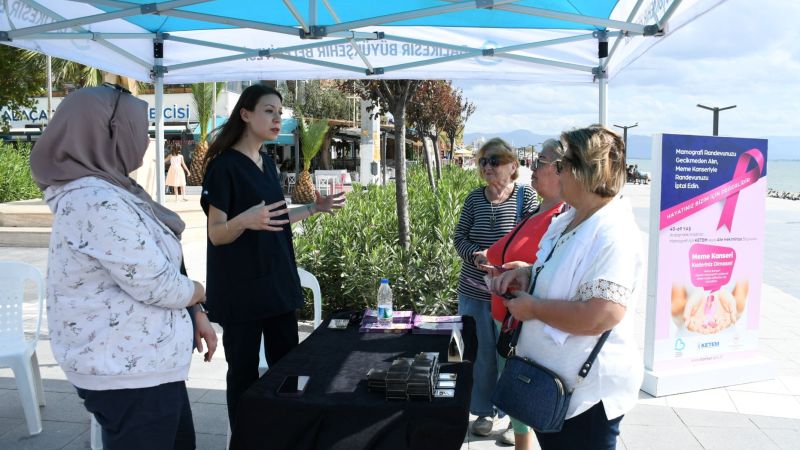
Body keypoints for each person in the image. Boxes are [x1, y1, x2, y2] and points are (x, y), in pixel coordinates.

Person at [29, 85, 217, 449]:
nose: (146, 142)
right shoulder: (94, 200)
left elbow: (157, 265)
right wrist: (199, 290)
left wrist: (194, 311)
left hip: (145, 368)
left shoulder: (111, 189)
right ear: (108, 133)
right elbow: (157, 284)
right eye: (140, 129)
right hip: (129, 376)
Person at [200, 84, 345, 428]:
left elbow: (275, 217)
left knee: (287, 371)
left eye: (280, 113)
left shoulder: (265, 161)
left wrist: (313, 207)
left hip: (277, 286)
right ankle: (247, 439)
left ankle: (284, 435)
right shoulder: (223, 167)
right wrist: (243, 220)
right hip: (242, 293)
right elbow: (217, 233)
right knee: (244, 376)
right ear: (245, 114)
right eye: (269, 111)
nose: (277, 118)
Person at [492, 125, 644, 450]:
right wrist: (529, 273)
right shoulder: (573, 218)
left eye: (563, 164)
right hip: (556, 387)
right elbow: (568, 277)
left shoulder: (612, 230)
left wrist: (533, 308)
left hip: (585, 397)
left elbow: (601, 313)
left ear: (586, 170)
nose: (557, 171)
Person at [480, 138, 567, 448]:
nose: (533, 167)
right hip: (506, 317)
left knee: (522, 406)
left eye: (540, 162)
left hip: (520, 324)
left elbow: (550, 267)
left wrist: (523, 269)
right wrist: (495, 262)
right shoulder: (539, 210)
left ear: (561, 171)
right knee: (517, 405)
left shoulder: (560, 217)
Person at [453, 137, 537, 437]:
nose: (487, 166)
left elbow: (534, 242)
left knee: (513, 358)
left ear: (513, 166)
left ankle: (517, 422)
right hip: (474, 291)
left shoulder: (525, 199)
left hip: (510, 295)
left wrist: (502, 262)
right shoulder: (474, 199)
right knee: (481, 357)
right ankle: (484, 412)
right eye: (483, 161)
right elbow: (459, 238)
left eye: (494, 161)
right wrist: (477, 257)